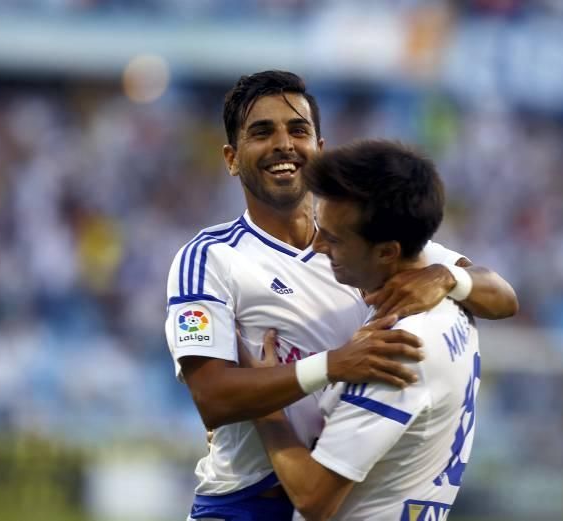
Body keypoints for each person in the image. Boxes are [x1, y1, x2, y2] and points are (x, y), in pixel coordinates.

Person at [164, 71, 517, 520]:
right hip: (249, 501)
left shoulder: (368, 238)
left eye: (298, 130)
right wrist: (331, 366)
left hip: (343, 488)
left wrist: (452, 279)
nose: (283, 145)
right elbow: (212, 399)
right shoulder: (211, 259)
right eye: (261, 132)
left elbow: (504, 298)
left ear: (320, 149)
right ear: (232, 159)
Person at [243, 139, 481, 520]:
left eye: (334, 239)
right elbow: (500, 294)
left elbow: (314, 498)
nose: (318, 246)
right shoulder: (447, 291)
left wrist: (264, 400)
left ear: (387, 252)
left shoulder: (397, 350)